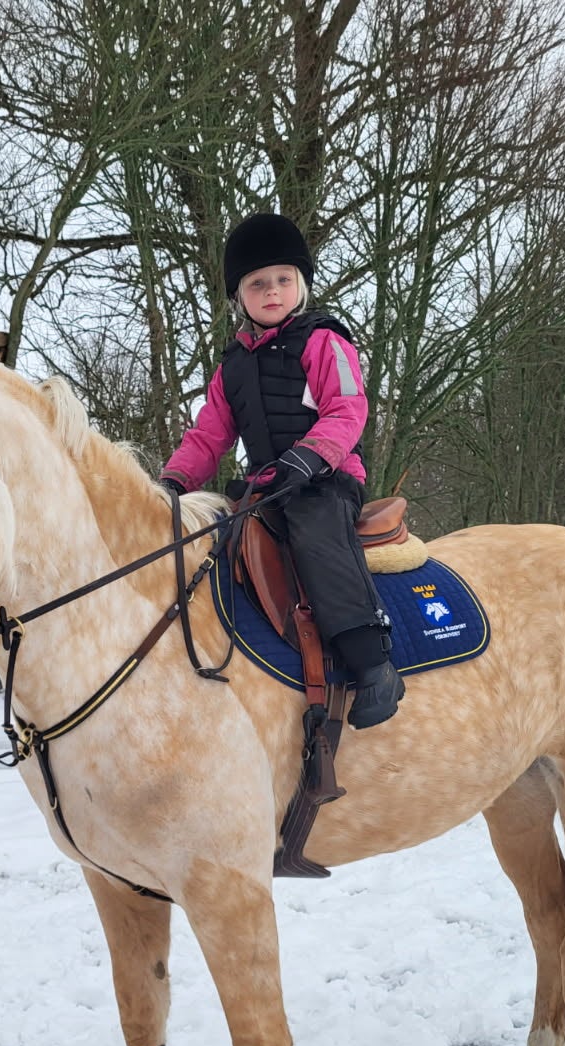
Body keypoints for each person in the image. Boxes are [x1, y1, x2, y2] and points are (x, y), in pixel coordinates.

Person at [159, 212, 404, 729]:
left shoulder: (324, 341)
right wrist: (173, 483)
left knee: (314, 529)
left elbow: (347, 408)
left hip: (327, 477)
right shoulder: (232, 367)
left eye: (282, 280)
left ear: (301, 285)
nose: (272, 291)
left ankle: (371, 660)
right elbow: (209, 436)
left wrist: (310, 455)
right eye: (257, 283)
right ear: (239, 296)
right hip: (269, 486)